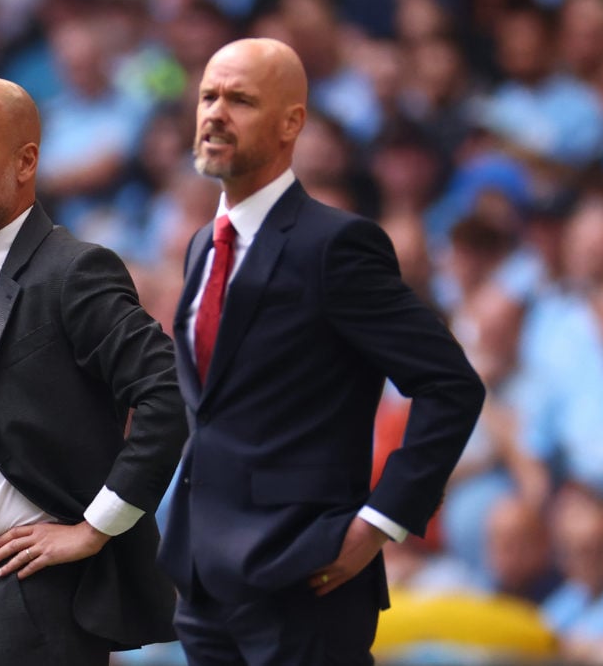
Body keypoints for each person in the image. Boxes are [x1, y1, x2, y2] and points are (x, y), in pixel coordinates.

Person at [157, 38, 485, 665]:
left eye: (241, 99)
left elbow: (450, 384)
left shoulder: (338, 246)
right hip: (202, 583)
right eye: (208, 96)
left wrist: (382, 520)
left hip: (305, 575)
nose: (216, 113)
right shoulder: (203, 243)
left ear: (292, 123)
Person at [0, 77, 186, 665]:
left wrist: (95, 527)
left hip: (32, 601)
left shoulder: (74, 270)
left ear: (26, 160)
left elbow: (168, 392)